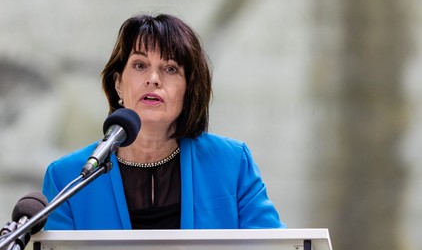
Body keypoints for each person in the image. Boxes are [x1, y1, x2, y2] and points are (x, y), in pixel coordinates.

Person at [42, 13, 285, 230]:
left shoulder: (232, 164)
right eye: (140, 65)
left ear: (189, 89)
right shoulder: (67, 178)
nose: (153, 79)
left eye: (170, 69)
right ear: (118, 84)